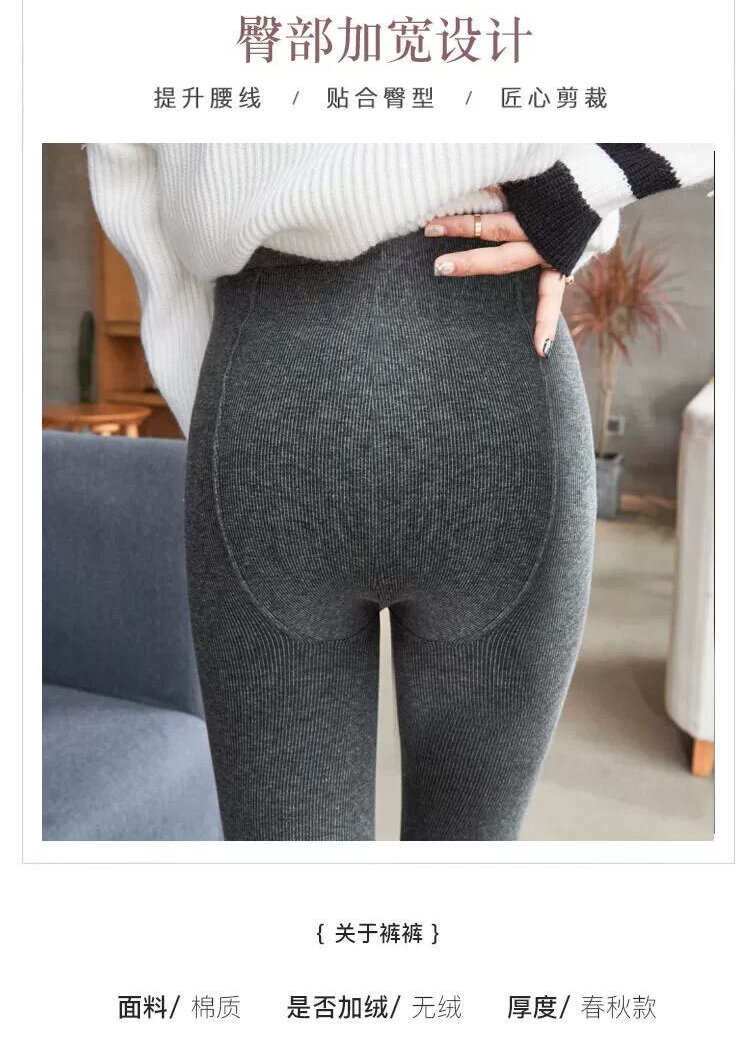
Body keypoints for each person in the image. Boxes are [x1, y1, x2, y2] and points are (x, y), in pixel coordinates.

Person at [87, 142, 713, 841]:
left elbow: (124, 167)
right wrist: (583, 189)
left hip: (274, 386)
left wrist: (223, 412)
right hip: (495, 387)